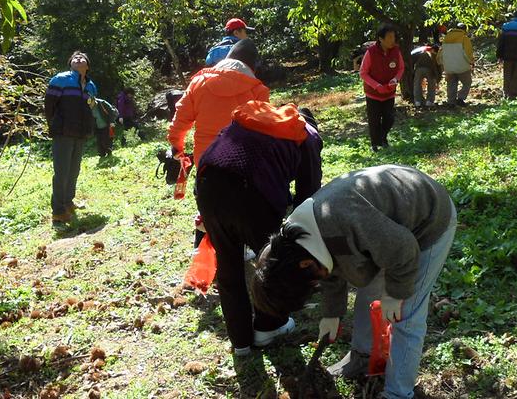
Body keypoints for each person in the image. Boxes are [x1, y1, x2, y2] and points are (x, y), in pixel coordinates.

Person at [251, 165, 457, 399]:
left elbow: (405, 249)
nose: (315, 286)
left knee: (406, 314)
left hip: (428, 222)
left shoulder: (343, 222)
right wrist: (332, 313)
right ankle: (362, 356)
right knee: (369, 292)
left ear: (306, 265)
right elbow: (330, 268)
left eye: (311, 285)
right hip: (386, 234)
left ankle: (398, 393)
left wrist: (396, 293)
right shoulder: (299, 246)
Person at [195, 101, 323, 355]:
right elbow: (309, 196)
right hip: (252, 192)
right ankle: (268, 328)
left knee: (229, 265)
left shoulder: (257, 116)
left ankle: (240, 342)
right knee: (273, 263)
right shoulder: (306, 134)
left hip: (208, 182)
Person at [168, 39, 270, 243]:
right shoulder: (257, 90)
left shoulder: (199, 82)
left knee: (207, 204)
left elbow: (181, 119)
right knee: (240, 205)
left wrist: (177, 146)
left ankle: (203, 245)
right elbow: (264, 130)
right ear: (251, 66)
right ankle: (242, 246)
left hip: (206, 161)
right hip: (240, 162)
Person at [44, 51, 98, 225]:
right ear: (70, 64)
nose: (78, 59)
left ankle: (68, 202)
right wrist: (54, 125)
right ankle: (58, 212)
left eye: (82, 57)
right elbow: (49, 105)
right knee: (61, 172)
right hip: (63, 132)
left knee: (74, 170)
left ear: (87, 65)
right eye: (74, 58)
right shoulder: (60, 79)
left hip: (80, 133)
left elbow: (91, 107)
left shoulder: (91, 86)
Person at [359, 24, 405, 152]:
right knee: (374, 120)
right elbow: (363, 72)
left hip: (389, 92)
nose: (392, 40)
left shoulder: (396, 51)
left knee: (389, 118)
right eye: (389, 37)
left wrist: (395, 80)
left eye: (394, 37)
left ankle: (383, 138)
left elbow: (401, 68)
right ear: (381, 38)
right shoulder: (371, 52)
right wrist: (376, 85)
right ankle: (375, 144)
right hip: (373, 93)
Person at [437, 23, 474, 107]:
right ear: (465, 29)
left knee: (451, 84)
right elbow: (467, 53)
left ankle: (451, 101)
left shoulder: (446, 38)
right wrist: (471, 62)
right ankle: (460, 98)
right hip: (462, 66)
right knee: (467, 82)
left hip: (449, 67)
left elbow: (440, 53)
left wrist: (440, 62)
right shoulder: (464, 38)